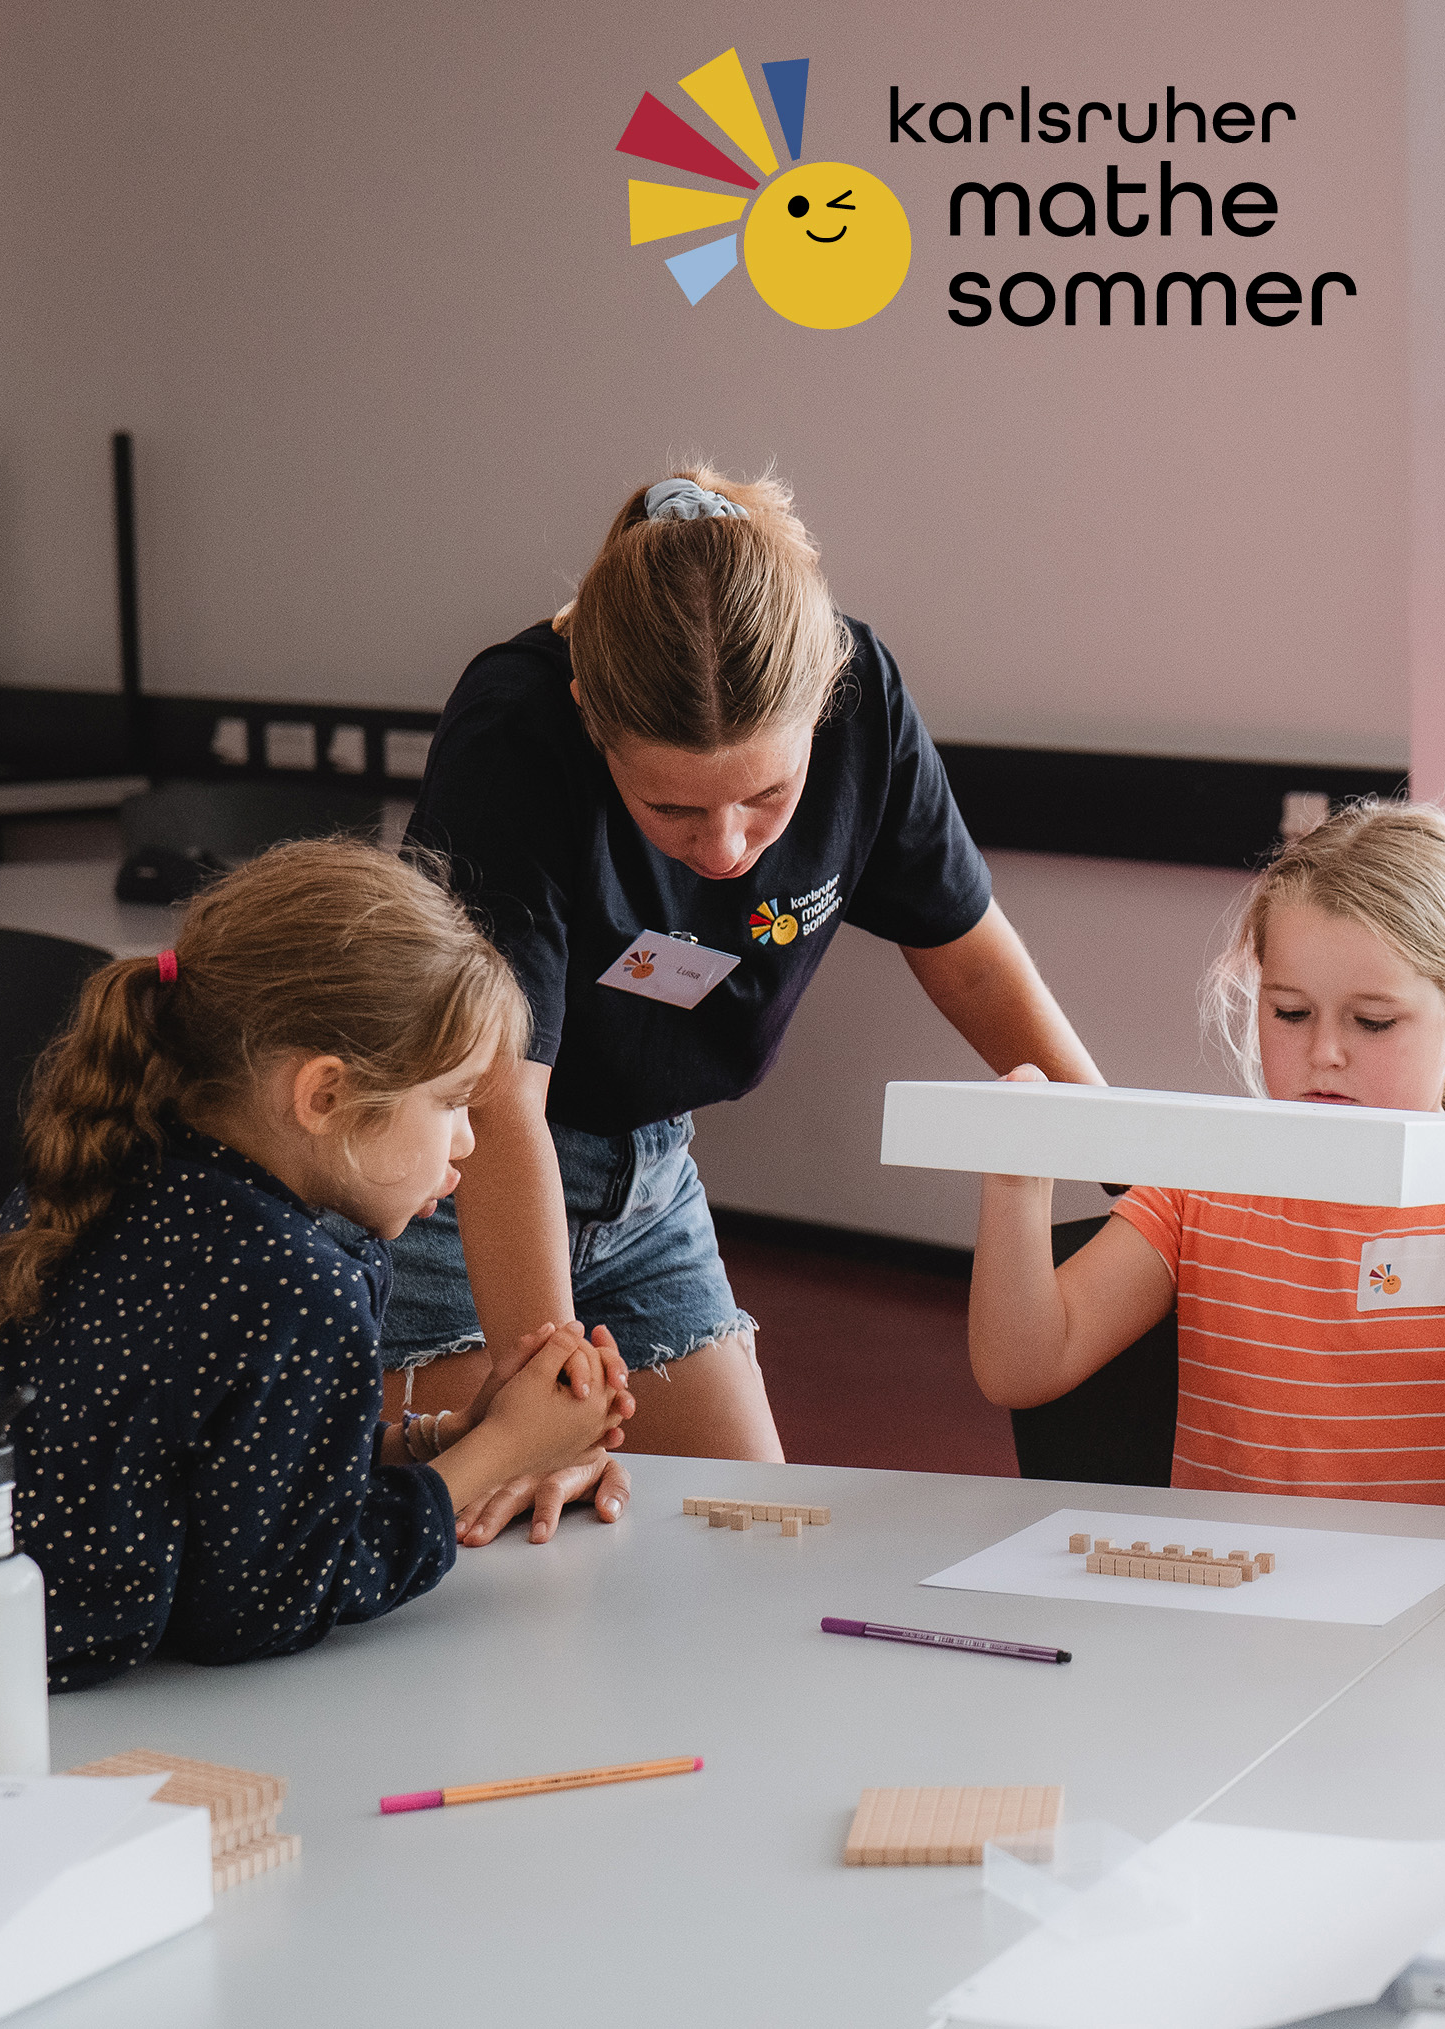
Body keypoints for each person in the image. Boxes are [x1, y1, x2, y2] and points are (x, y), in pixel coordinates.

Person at [0, 842, 631, 1760]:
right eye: (453, 1100)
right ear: (326, 1092)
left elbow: (166, 1473)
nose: (467, 1142)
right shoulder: (297, 1281)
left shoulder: (110, 1165)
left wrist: (424, 1443)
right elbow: (259, 1606)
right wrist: (504, 1451)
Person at [396, 466, 1101, 1536]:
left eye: (767, 796)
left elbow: (970, 959)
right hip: (454, 1184)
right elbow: (499, 1105)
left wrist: (1147, 1180)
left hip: (649, 1174)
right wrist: (548, 1416)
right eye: (671, 808)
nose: (725, 850)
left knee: (762, 1540)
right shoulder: (515, 729)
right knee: (514, 1548)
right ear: (591, 718)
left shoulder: (863, 696)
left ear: (824, 703)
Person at [965, 801, 1445, 1509]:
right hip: (1247, 1603)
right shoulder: (1202, 1184)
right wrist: (1015, 1180)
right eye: (1289, 1012)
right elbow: (1023, 1367)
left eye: (1372, 1022)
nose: (1324, 1054)